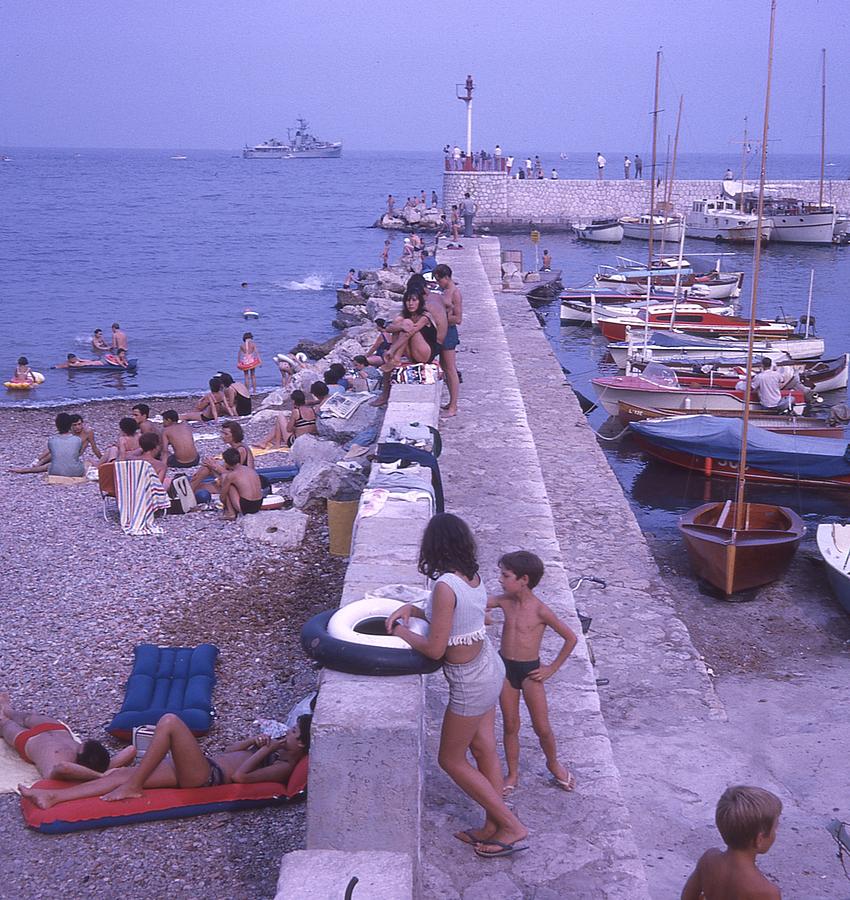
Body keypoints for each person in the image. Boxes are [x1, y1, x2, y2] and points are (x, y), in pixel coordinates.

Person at [386, 514, 528, 859]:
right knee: (482, 749)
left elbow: (435, 649)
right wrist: (415, 610)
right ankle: (492, 825)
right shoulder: (471, 577)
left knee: (450, 759)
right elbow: (461, 616)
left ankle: (510, 825)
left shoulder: (444, 585)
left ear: (433, 546)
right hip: (489, 667)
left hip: (469, 681)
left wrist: (400, 630)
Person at [19, 713, 311, 808]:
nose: (288, 733)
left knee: (170, 722)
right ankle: (52, 797)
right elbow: (232, 750)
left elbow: (241, 778)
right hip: (203, 763)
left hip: (206, 776)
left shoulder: (283, 767)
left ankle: (134, 785)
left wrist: (262, 751)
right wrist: (252, 742)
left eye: (294, 732)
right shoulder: (278, 751)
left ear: (301, 743)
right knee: (116, 776)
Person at [488, 551, 578, 796]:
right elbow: (475, 604)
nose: (500, 579)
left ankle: (553, 763)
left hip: (530, 672)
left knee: (542, 726)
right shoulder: (504, 601)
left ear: (524, 579)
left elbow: (571, 638)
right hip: (505, 668)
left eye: (505, 575)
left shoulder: (541, 611)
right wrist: (482, 615)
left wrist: (551, 668)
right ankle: (513, 773)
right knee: (510, 725)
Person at [0, 693, 135, 782]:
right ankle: (8, 709)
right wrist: (107, 770)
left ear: (80, 757)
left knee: (4, 723)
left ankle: (4, 714)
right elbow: (131, 750)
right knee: (26, 717)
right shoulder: (104, 766)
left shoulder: (62, 769)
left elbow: (63, 767)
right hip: (55, 729)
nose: (77, 744)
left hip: (29, 741)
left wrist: (99, 776)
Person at [681, 786, 782, 900]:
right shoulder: (767, 892)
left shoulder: (708, 860)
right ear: (759, 839)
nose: (775, 833)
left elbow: (687, 897)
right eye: (775, 828)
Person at [10, 412, 84, 476]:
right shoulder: (77, 440)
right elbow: (77, 454)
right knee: (86, 463)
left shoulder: (52, 440)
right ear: (70, 425)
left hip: (54, 471)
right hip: (76, 472)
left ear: (57, 426)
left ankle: (24, 470)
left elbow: (54, 454)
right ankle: (25, 469)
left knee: (52, 464)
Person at [191, 421, 254, 491]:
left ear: (234, 435)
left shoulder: (240, 450)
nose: (222, 436)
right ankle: (190, 488)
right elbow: (227, 469)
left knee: (200, 484)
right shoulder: (234, 448)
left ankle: (189, 490)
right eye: (222, 433)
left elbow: (235, 474)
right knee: (206, 467)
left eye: (226, 434)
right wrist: (211, 463)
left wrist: (214, 465)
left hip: (241, 483)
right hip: (232, 478)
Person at [434, 264, 462, 418]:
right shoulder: (445, 291)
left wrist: (440, 318)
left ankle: (454, 406)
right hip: (442, 332)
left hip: (449, 332)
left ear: (446, 277)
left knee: (450, 369)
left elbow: (458, 318)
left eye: (439, 280)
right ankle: (451, 402)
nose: (438, 283)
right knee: (444, 367)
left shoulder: (455, 293)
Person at [220, 447, 263, 520]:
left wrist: (226, 504)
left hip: (246, 507)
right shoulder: (250, 470)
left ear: (226, 463)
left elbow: (222, 497)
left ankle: (231, 513)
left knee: (226, 481)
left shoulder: (232, 475)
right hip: (258, 504)